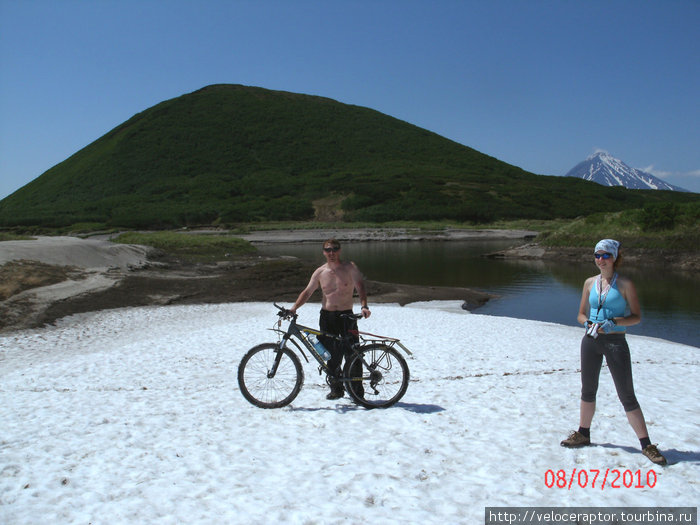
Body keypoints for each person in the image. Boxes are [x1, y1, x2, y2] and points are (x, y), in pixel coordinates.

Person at [560, 239, 667, 465]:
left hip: (616, 341)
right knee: (587, 390)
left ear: (615, 257)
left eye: (606, 255)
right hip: (591, 341)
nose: (601, 260)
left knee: (626, 394)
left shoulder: (625, 284)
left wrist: (615, 322)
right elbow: (580, 314)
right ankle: (583, 433)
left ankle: (647, 445)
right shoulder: (589, 282)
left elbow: (636, 316)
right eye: (597, 255)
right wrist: (587, 322)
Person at [290, 238, 371, 400]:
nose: (331, 253)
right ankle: (337, 389)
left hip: (347, 316)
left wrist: (364, 306)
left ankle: (357, 393)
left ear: (339, 250)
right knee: (330, 356)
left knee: (353, 354)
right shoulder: (320, 272)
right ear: (324, 252)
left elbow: (360, 287)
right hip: (327, 317)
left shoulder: (350, 267)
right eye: (328, 250)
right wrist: (293, 308)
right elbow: (307, 292)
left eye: (334, 249)